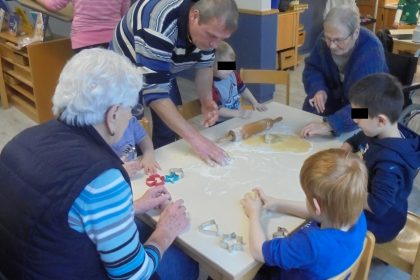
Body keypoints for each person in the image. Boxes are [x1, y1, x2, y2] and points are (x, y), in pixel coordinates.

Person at [0, 48, 198, 279]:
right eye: (130, 110)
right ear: (112, 115)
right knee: (185, 263)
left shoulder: (21, 140)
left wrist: (131, 208)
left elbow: (57, 217)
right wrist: (166, 230)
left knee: (140, 226)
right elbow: (133, 275)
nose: (130, 117)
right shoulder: (102, 177)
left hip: (19, 268)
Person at [110, 0, 239, 166]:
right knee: (127, 135)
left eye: (221, 39)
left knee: (168, 130)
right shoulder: (158, 23)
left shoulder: (208, 33)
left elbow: (204, 66)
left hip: (161, 65)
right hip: (123, 74)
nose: (215, 44)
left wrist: (207, 101)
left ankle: (164, 169)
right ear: (194, 16)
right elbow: (155, 93)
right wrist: (197, 140)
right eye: (212, 36)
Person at [241, 148, 368, 279]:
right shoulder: (358, 216)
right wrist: (276, 203)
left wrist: (254, 214)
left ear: (317, 206)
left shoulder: (310, 244)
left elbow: (258, 252)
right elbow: (316, 213)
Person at [341, 73, 420, 243]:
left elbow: (378, 205)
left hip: (381, 224)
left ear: (381, 120)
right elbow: (357, 139)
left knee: (327, 216)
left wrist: (344, 191)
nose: (355, 119)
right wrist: (345, 148)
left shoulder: (390, 163)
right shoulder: (380, 130)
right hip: (383, 210)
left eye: (360, 115)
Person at [300, 5, 388, 138]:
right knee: (307, 124)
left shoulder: (372, 51)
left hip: (366, 109)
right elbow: (312, 68)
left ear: (356, 33)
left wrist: (330, 125)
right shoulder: (324, 39)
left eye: (338, 40)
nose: (331, 45)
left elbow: (364, 108)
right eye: (328, 38)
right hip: (333, 102)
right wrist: (318, 89)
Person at [35, 0, 130, 52]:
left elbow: (54, 5)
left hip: (84, 41)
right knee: (111, 81)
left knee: (86, 82)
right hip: (113, 40)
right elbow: (124, 14)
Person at [212, 41, 267, 123]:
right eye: (224, 66)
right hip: (219, 123)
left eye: (230, 65)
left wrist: (255, 103)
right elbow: (218, 110)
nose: (229, 70)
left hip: (235, 118)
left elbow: (242, 89)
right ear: (211, 66)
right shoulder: (210, 86)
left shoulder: (232, 74)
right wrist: (238, 113)